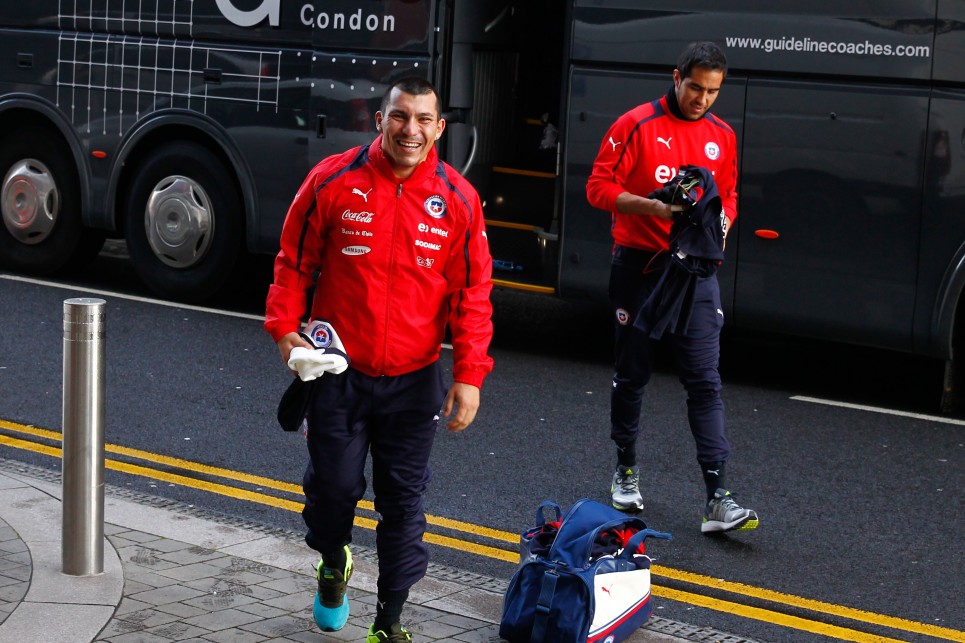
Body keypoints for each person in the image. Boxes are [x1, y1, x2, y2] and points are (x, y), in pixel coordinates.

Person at [264, 76, 494, 643]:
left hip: (414, 384)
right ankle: (333, 558)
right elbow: (293, 262)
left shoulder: (459, 200)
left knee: (403, 506)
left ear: (440, 128)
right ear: (380, 120)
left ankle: (389, 621)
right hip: (339, 376)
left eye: (422, 119)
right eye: (399, 116)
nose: (409, 130)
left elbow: (472, 295)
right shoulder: (333, 180)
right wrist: (285, 333)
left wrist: (468, 375)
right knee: (333, 493)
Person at [585, 42, 759, 534]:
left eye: (713, 92)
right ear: (677, 76)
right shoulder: (636, 124)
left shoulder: (722, 135)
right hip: (639, 268)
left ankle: (717, 498)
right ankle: (626, 468)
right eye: (696, 87)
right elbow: (597, 189)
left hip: (695, 274)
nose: (702, 99)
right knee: (632, 374)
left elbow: (729, 196)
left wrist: (717, 229)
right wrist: (656, 208)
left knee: (705, 380)